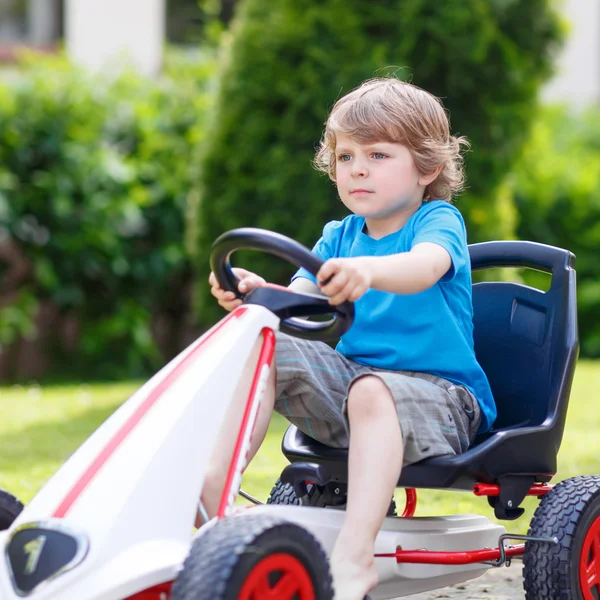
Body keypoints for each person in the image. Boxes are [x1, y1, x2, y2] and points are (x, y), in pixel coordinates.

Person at [206, 77, 496, 600]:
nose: (357, 168)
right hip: (354, 391)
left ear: (427, 167)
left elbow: (423, 268)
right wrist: (257, 294)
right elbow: (300, 302)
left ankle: (355, 555)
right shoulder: (338, 236)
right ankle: (210, 502)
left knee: (371, 389)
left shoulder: (436, 220)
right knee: (265, 342)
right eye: (346, 156)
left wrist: (368, 271)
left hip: (443, 399)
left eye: (379, 154)